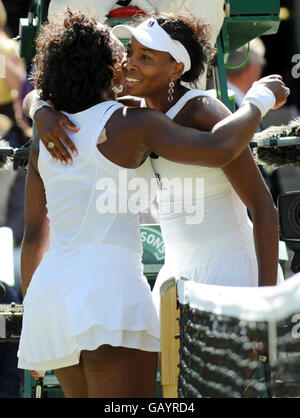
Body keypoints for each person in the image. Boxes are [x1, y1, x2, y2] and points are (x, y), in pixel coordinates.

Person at [19, 10, 287, 398]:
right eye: (131, 52)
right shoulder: (133, 114)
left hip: (230, 281)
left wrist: (265, 308)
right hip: (171, 286)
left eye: (146, 56)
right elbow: (51, 88)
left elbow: (262, 207)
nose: (129, 62)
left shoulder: (199, 110)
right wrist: (39, 108)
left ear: (177, 67)